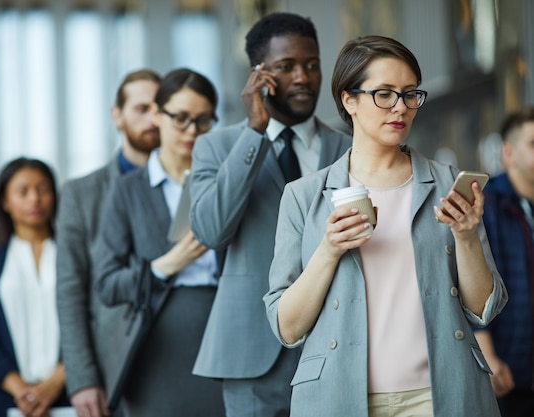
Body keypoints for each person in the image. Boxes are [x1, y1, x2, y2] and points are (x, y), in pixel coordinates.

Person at [263, 35, 508, 417]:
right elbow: (288, 329)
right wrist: (328, 250)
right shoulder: (303, 196)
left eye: (410, 94)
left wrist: (465, 237)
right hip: (338, 397)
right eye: (384, 94)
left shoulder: (449, 184)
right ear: (349, 100)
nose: (401, 107)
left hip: (442, 394)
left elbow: (484, 310)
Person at [188, 12, 351, 417]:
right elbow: (211, 231)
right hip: (252, 353)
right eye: (286, 66)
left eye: (312, 64)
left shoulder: (351, 149)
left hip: (339, 342)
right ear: (259, 74)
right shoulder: (218, 147)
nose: (303, 77)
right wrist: (254, 132)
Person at [96, 68, 225, 417]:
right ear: (157, 114)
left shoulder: (226, 184)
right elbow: (106, 284)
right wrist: (164, 266)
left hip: (223, 338)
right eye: (180, 118)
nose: (191, 131)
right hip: (155, 350)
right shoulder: (128, 190)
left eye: (203, 120)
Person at [56, 68, 160, 417]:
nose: (153, 118)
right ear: (117, 115)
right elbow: (70, 291)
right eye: (141, 108)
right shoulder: (81, 194)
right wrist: (82, 378)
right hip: (112, 364)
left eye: (160, 109)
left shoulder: (195, 186)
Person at [0, 157, 69, 417]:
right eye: (22, 191)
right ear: (4, 201)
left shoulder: (74, 255)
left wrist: (56, 382)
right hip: (9, 399)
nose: (34, 199)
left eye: (43, 189)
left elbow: (91, 322)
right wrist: (21, 390)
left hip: (69, 394)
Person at [474, 107, 534, 417]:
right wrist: (489, 356)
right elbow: (474, 285)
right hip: (509, 371)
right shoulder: (486, 207)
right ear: (508, 153)